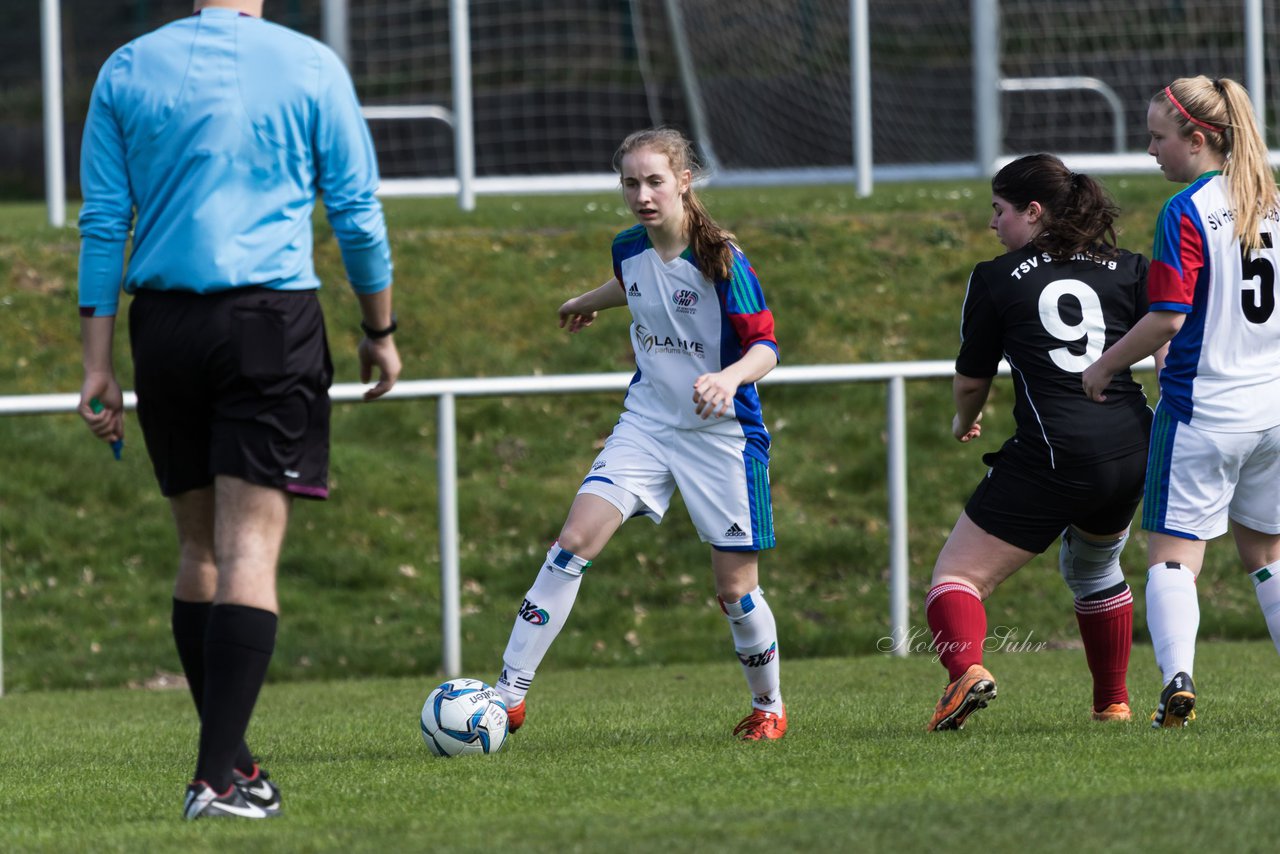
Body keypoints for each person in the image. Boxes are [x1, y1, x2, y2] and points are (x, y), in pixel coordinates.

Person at [77, 1, 401, 819]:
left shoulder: (126, 66)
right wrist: (379, 330)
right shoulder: (311, 65)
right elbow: (357, 214)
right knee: (249, 547)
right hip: (268, 320)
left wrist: (96, 364)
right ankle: (215, 781)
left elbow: (105, 222)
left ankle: (238, 763)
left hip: (164, 328)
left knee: (200, 552)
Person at [492, 127, 785, 741]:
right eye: (631, 182)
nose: (642, 194)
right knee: (573, 541)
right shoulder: (627, 246)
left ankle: (768, 708)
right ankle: (508, 695)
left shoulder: (722, 257)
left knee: (735, 590)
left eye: (655, 181)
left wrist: (729, 379)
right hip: (648, 423)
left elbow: (765, 346)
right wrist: (585, 300)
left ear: (684, 180)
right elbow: (636, 283)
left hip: (722, 435)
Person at [925, 154, 1155, 732]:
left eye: (999, 212)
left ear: (1033, 212)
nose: (992, 225)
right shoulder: (1129, 267)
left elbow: (973, 379)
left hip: (1057, 451)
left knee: (957, 578)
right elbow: (1171, 339)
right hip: (1132, 447)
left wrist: (963, 421)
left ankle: (966, 673)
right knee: (1097, 568)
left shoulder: (996, 277)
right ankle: (1113, 703)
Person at [1083, 76, 1280, 729]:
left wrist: (1107, 363)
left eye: (1158, 137)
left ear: (1197, 140)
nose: (1149, 150)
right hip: (1274, 411)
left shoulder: (1188, 209)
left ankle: (1177, 682)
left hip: (1205, 410)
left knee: (1172, 557)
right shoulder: (1274, 201)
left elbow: (1167, 317)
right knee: (1268, 558)